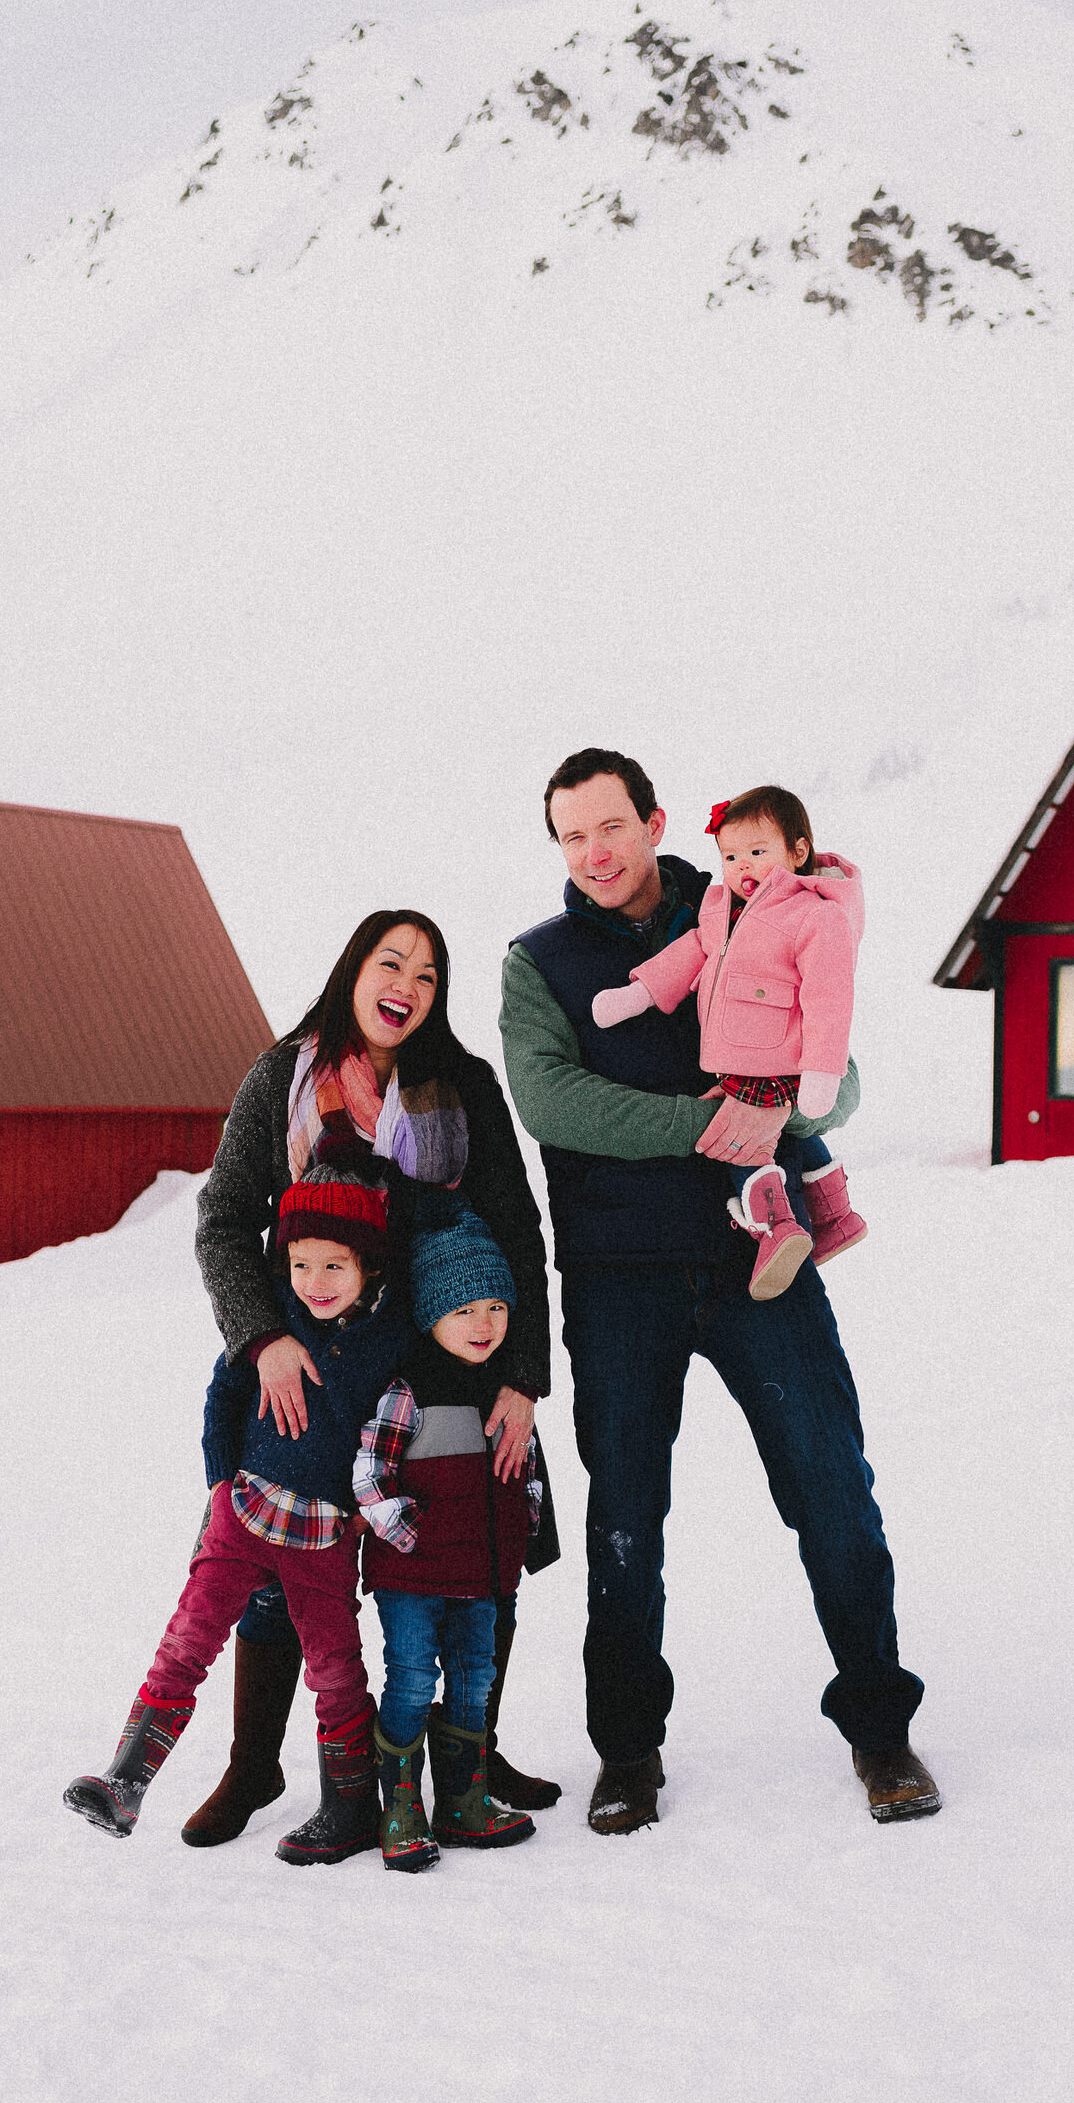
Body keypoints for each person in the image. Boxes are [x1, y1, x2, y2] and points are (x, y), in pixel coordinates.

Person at [499, 747, 938, 1836]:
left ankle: (879, 1730)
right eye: (570, 834)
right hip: (617, 1280)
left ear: (653, 823)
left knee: (831, 1486)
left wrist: (798, 1107)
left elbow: (837, 1070)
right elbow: (552, 1102)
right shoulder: (535, 963)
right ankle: (628, 1753)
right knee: (625, 1521)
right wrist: (708, 1122)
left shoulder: (757, 899)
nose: (593, 852)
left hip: (762, 1263)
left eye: (610, 826)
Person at [187, 908, 558, 1848]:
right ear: (354, 971)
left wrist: (520, 1375)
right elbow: (224, 1221)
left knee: (469, 1555)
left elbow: (518, 1232)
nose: (408, 985)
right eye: (391, 963)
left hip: (449, 1366)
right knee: (282, 1561)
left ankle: (466, 1757)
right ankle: (255, 1762)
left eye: (429, 974)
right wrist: (260, 1337)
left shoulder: (461, 1086)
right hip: (309, 1357)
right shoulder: (286, 1078)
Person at [63, 1151, 408, 1859]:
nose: (314, 1283)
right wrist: (221, 1483)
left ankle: (351, 1799)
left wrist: (359, 1511)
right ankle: (126, 1781)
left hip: (322, 1538)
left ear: (368, 1269)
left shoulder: (384, 1344)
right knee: (186, 1643)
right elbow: (221, 1402)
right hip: (242, 1516)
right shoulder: (268, 1325)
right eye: (301, 1264)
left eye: (334, 1267)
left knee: (336, 1668)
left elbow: (387, 1439)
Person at [592, 782, 868, 1298]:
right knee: (789, 1134)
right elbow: (693, 952)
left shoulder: (816, 916)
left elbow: (831, 1000)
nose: (742, 867)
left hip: (773, 1058)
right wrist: (640, 993)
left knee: (742, 1146)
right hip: (740, 1055)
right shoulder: (722, 908)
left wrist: (823, 1071)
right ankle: (835, 1215)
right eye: (730, 855)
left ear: (798, 851)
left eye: (758, 853)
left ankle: (775, 1228)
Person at [354, 1209, 542, 1871]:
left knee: (474, 1682)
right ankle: (401, 1807)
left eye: (495, 1307)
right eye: (463, 1310)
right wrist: (413, 1535)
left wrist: (521, 1536)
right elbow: (371, 1476)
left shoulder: (506, 1393)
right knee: (410, 1680)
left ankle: (464, 1799)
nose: (484, 1324)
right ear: (430, 1314)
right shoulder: (409, 1392)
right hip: (415, 1575)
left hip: (484, 1575)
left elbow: (525, 1475)